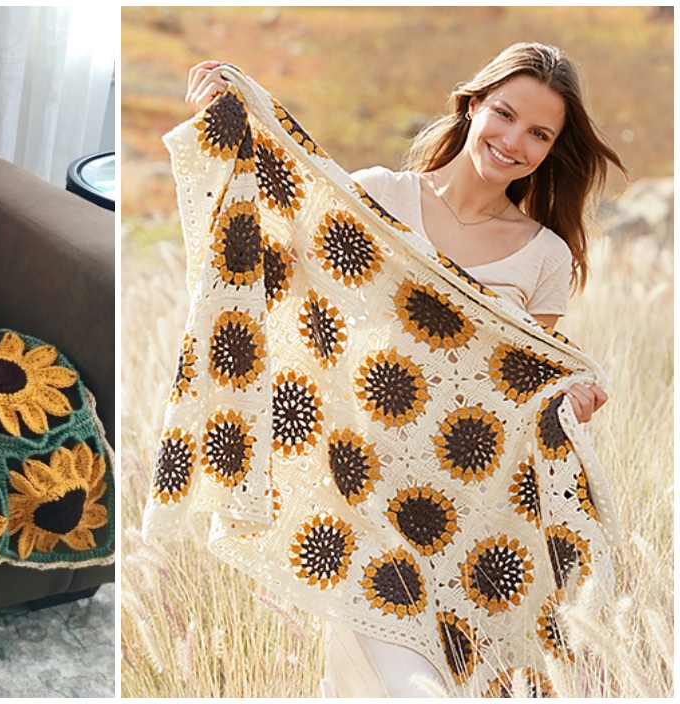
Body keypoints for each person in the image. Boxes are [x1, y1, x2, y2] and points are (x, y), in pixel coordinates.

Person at [182, 43, 625, 696]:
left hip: (469, 519)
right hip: (363, 499)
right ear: (472, 105)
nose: (513, 142)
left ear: (551, 149)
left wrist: (565, 406)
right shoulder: (376, 199)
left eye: (537, 134)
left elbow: (518, 391)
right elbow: (270, 260)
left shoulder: (543, 258)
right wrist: (225, 131)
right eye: (503, 114)